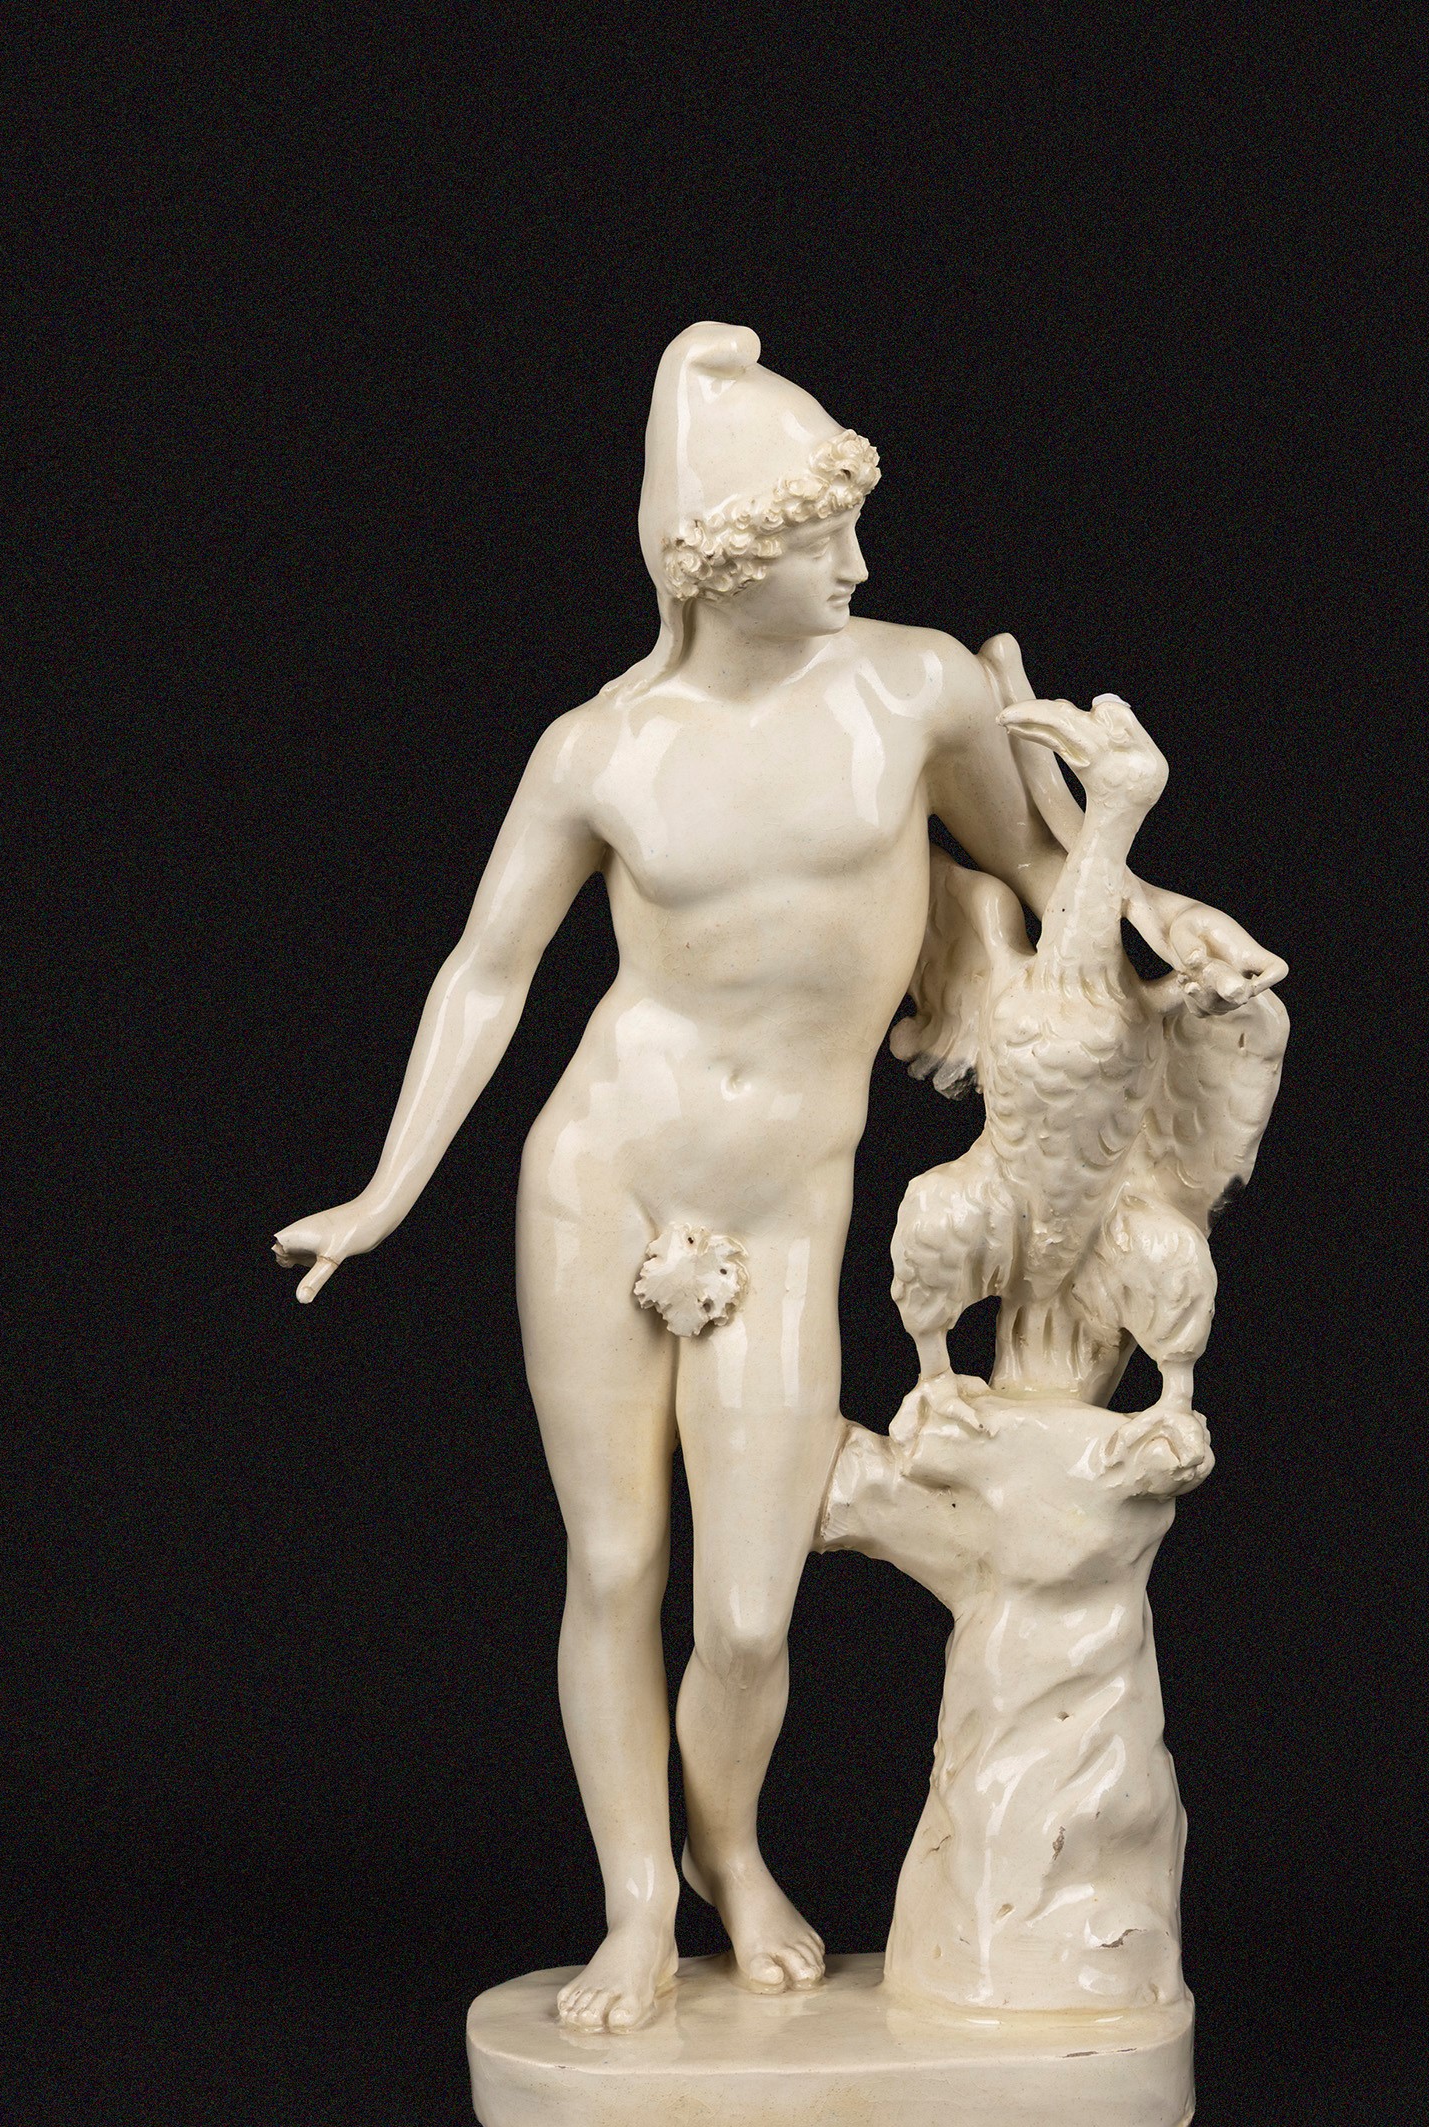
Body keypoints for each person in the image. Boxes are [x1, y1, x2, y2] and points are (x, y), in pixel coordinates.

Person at [274, 323, 1281, 2033]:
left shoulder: (919, 691)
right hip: (605, 1172)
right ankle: (637, 1905)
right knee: (615, 1565)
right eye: (825, 538)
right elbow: (487, 971)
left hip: (784, 1195)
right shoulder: (601, 750)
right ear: (724, 564)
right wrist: (388, 1188)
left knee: (747, 1611)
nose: (861, 564)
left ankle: (730, 1848)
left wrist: (1155, 896)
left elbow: (1035, 857)